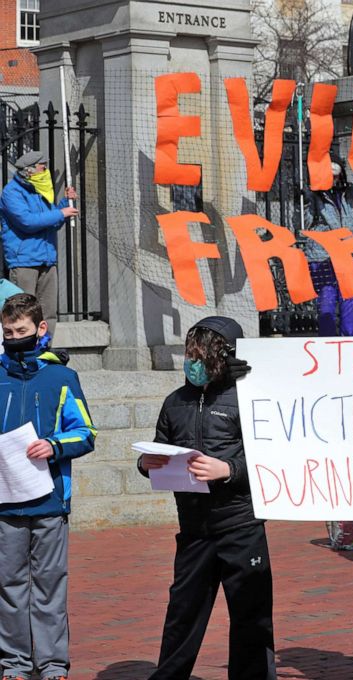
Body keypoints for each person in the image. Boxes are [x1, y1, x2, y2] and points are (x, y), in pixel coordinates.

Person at [138, 316, 276, 680]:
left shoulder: (247, 397)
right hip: (195, 528)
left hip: (240, 525)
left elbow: (269, 456)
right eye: (189, 354)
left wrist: (227, 470)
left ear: (223, 355)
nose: (192, 362)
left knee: (250, 616)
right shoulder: (175, 401)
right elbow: (161, 448)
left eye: (201, 355)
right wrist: (146, 463)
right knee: (183, 614)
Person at [0, 293, 96, 680]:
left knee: (49, 587)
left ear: (40, 329)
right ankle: (14, 663)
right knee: (8, 586)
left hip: (50, 500)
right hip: (5, 502)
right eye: (7, 332)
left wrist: (54, 445)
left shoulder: (62, 378)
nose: (12, 338)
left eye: (20, 331)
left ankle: (53, 665)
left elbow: (86, 433)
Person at [0, 151, 79, 339]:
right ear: (29, 170)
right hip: (24, 261)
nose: (46, 171)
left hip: (47, 259)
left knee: (47, 312)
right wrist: (61, 213)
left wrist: (64, 204)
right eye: (43, 167)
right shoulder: (11, 193)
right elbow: (27, 222)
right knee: (21, 314)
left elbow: (51, 221)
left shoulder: (40, 191)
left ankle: (44, 349)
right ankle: (21, 352)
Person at [303, 156, 353, 337]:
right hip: (322, 256)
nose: (333, 180)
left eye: (336, 176)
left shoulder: (349, 192)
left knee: (351, 297)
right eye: (330, 176)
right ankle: (327, 342)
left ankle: (350, 340)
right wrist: (304, 202)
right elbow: (303, 223)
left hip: (346, 255)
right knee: (327, 300)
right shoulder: (313, 194)